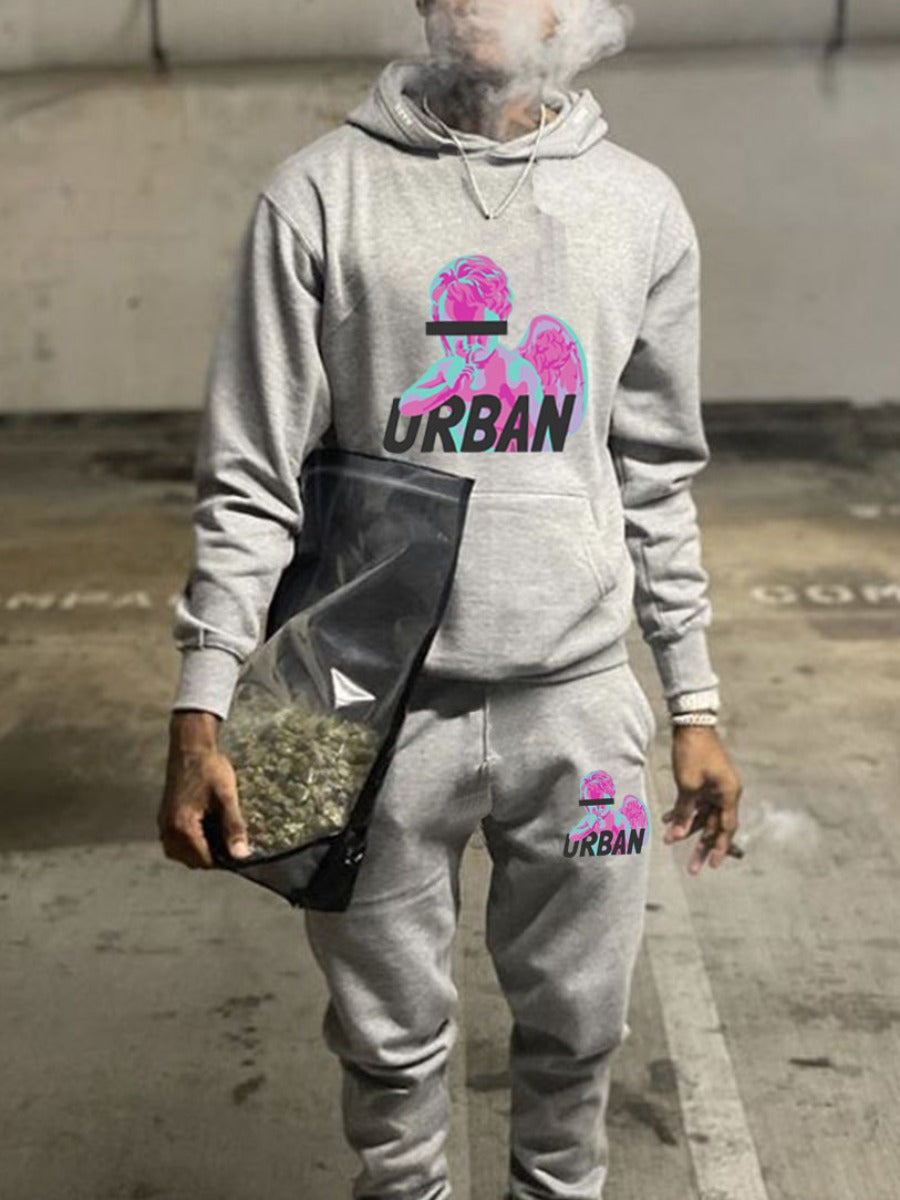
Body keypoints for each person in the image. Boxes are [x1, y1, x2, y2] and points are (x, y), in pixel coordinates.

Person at [158, 1, 743, 1197]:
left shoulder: (637, 206)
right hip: (363, 710)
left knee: (581, 1031)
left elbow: (658, 476)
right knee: (386, 1051)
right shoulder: (320, 196)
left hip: (578, 715)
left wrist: (693, 703)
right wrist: (200, 709)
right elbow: (251, 478)